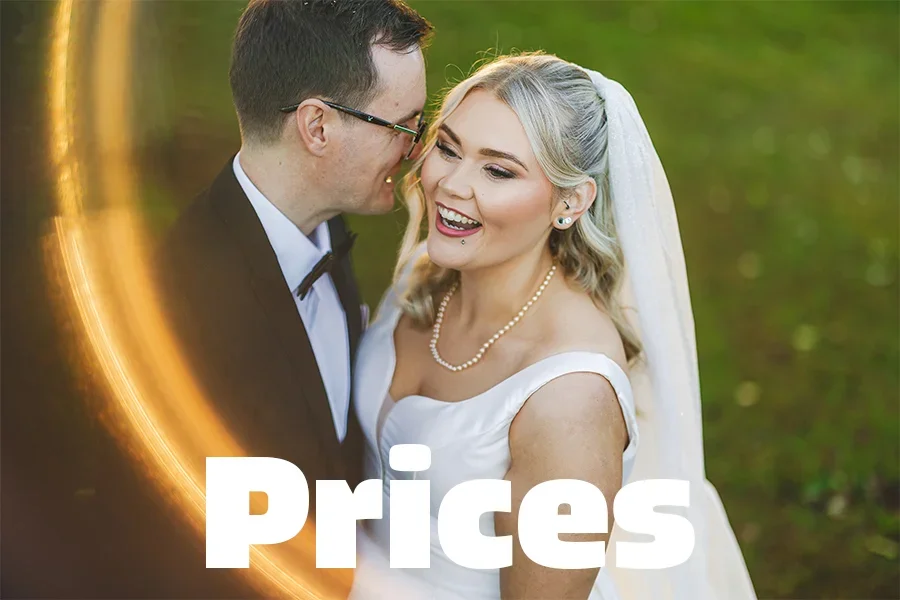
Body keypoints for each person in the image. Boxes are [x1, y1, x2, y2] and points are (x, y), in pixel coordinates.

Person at [349, 52, 758, 599]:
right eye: (448, 148)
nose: (450, 184)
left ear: (570, 201)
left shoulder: (571, 398)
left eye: (498, 170)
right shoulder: (428, 272)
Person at [153, 0, 431, 597]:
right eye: (404, 125)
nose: (416, 150)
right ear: (318, 127)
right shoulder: (187, 311)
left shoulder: (322, 227)